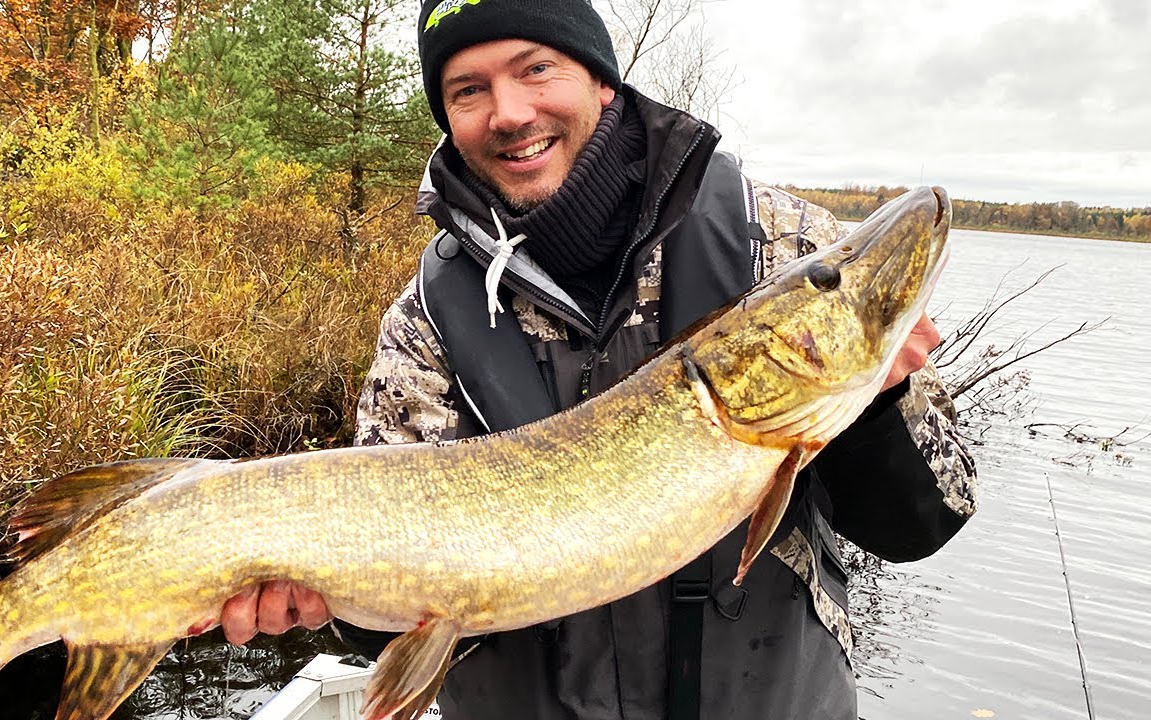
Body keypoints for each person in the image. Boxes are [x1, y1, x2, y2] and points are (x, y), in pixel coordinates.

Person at [220, 1, 979, 718]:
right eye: (468, 89)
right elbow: (397, 620)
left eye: (536, 68)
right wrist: (332, 602)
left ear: (600, 77)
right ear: (448, 118)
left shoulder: (775, 243)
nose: (510, 112)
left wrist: (880, 399)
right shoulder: (427, 322)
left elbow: (924, 524)